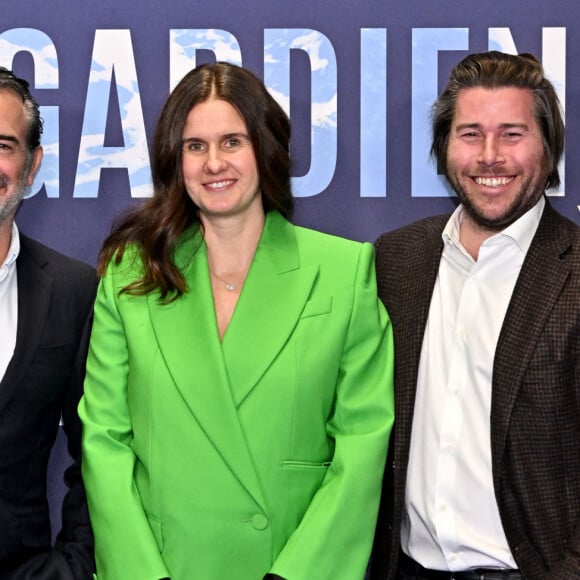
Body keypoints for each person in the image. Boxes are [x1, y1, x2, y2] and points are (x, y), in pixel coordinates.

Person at [78, 61, 395, 580]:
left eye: (232, 142)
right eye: (195, 146)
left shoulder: (342, 272)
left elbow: (361, 448)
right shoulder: (128, 276)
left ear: (265, 149)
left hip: (287, 566)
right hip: (164, 568)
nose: (213, 163)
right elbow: (104, 440)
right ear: (175, 160)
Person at [370, 50, 580, 580]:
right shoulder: (397, 260)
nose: (490, 156)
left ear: (548, 146)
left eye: (512, 134)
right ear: (444, 149)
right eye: (469, 134)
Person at [0, 67, 96, 578]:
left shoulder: (72, 291)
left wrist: (73, 566)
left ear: (32, 164)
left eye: (3, 144)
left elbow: (97, 453)